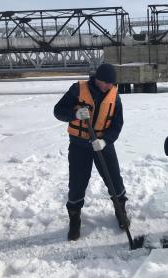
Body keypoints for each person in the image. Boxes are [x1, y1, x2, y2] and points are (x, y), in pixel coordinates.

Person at [54, 63, 130, 241]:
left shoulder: (114, 95)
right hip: (80, 145)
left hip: (102, 144)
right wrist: (75, 114)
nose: (106, 86)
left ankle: (121, 211)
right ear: (96, 78)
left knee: (114, 179)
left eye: (109, 83)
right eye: (103, 82)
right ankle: (74, 219)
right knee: (77, 183)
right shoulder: (78, 89)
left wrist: (106, 141)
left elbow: (117, 124)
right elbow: (58, 111)